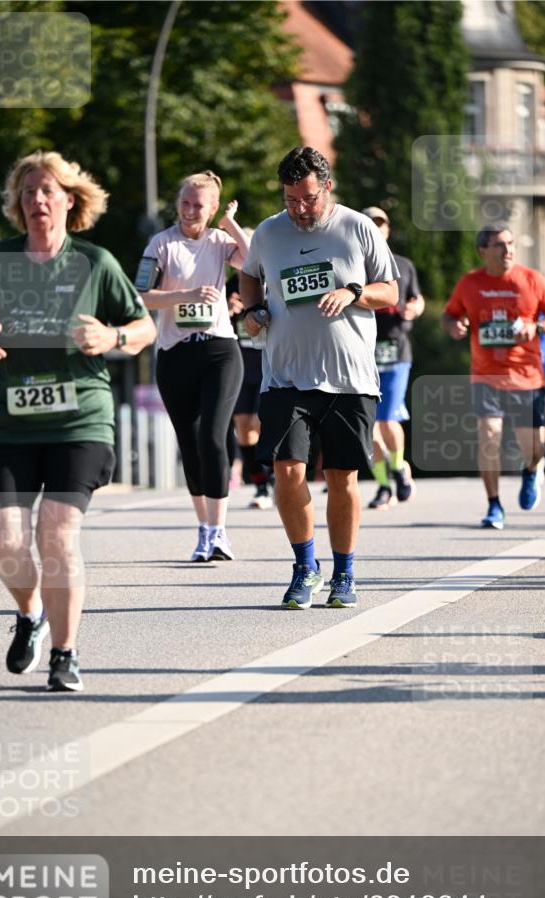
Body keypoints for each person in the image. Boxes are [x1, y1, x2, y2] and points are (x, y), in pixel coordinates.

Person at [0, 150, 156, 692]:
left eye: (48, 191)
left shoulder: (95, 262)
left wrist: (113, 338)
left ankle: (65, 654)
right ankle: (31, 615)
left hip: (80, 421)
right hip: (10, 419)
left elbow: (145, 327)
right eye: (28, 192)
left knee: (57, 532)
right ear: (17, 204)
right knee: (4, 540)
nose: (37, 200)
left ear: (70, 201)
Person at [240, 146, 399, 609]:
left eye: (307, 199)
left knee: (342, 477)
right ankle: (304, 567)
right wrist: (252, 310)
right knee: (287, 471)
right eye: (291, 200)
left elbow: (389, 290)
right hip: (286, 376)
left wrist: (352, 293)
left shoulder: (357, 227)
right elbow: (249, 276)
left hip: (349, 378)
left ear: (326, 187)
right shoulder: (269, 232)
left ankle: (344, 572)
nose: (300, 209)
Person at [140, 171, 249, 561]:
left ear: (213, 208)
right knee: (190, 444)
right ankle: (204, 529)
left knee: (212, 438)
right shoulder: (161, 244)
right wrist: (184, 294)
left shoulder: (221, 242)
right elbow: (142, 296)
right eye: (185, 203)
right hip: (176, 353)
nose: (189, 211)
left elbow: (256, 261)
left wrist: (232, 225)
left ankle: (219, 532)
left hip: (219, 351)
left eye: (198, 205)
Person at [441, 224, 545, 529]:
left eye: (510, 243)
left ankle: (530, 471)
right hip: (486, 375)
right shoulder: (470, 283)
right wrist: (453, 326)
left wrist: (536, 328)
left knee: (533, 448)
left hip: (526, 376)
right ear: (483, 251)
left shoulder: (532, 279)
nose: (508, 250)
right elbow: (449, 314)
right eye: (499, 245)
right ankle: (494, 505)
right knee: (488, 438)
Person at [361, 207, 424, 509]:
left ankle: (398, 468)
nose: (376, 229)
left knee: (387, 419)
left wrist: (415, 308)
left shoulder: (403, 265)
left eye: (381, 224)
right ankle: (385, 485)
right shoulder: (354, 263)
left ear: (388, 229)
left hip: (396, 351)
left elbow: (415, 298)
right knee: (368, 426)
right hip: (362, 352)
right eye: (370, 224)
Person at [227, 269, 274, 510]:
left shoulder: (272, 278)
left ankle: (275, 474)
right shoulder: (230, 284)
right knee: (244, 430)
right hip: (240, 367)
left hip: (268, 364)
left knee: (262, 423)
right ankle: (260, 485)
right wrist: (227, 309)